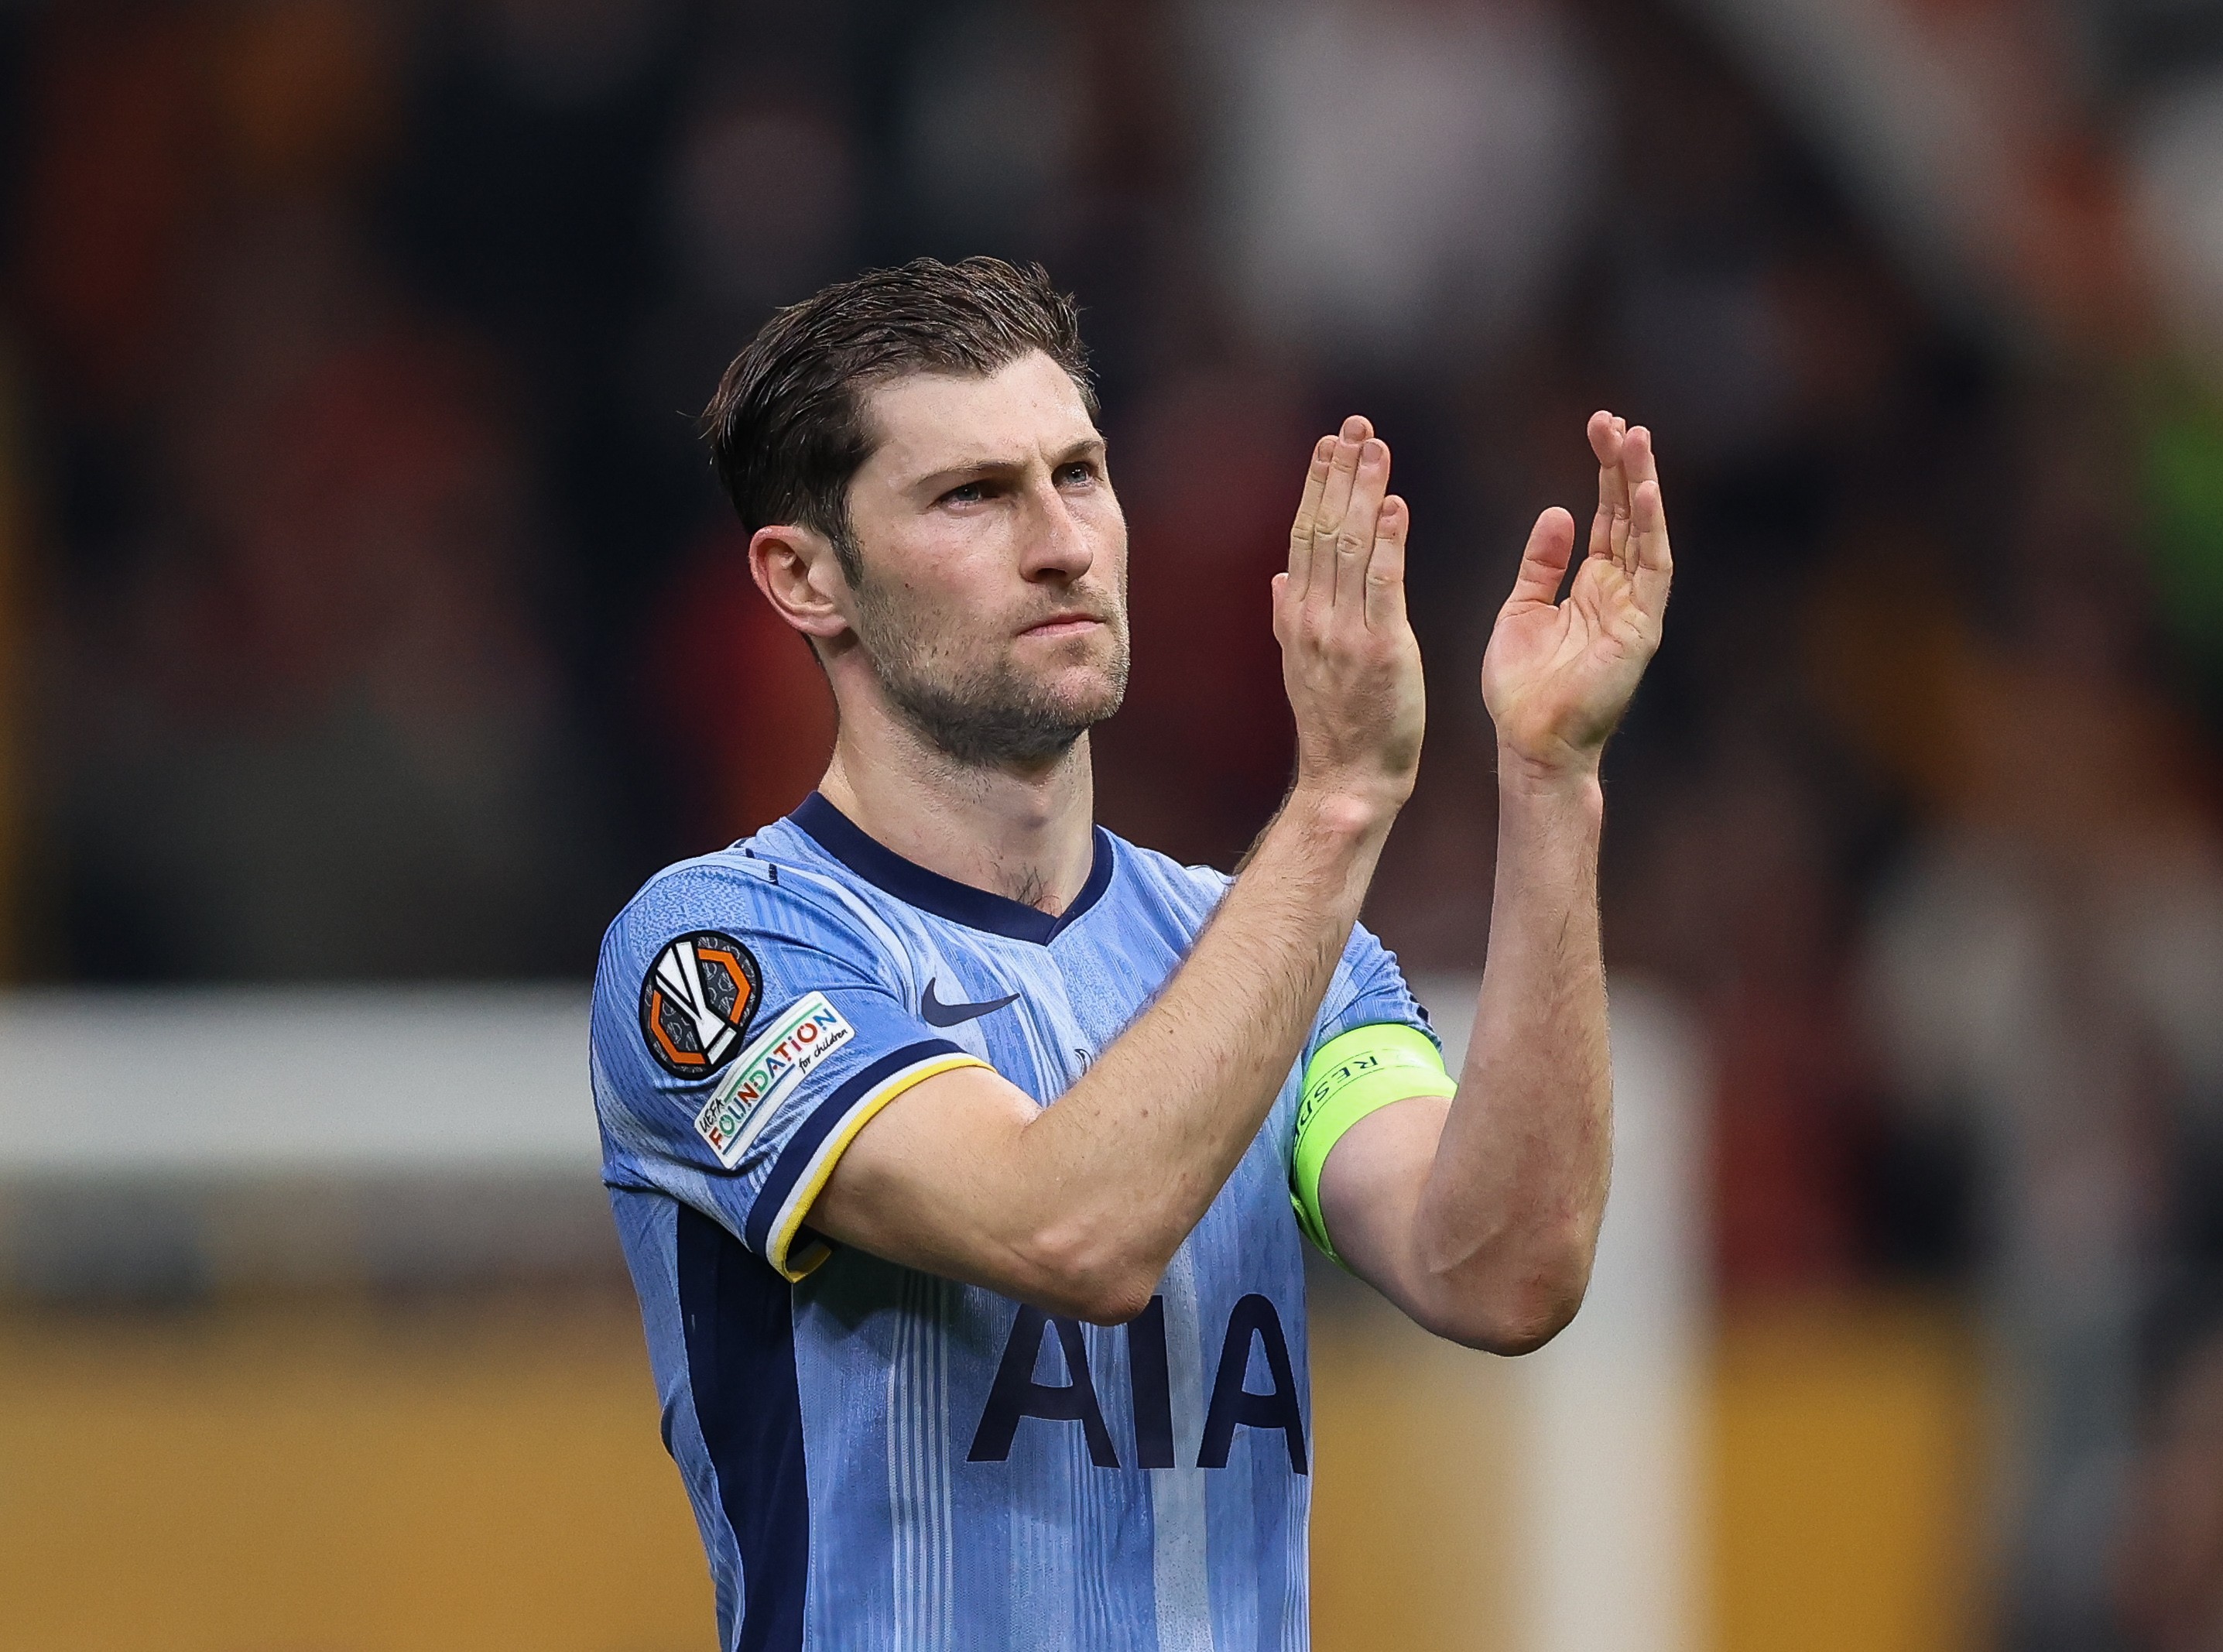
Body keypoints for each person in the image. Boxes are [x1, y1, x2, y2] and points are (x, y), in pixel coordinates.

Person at [590, 256, 1674, 1651]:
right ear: (806, 576)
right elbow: (1066, 1227)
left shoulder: (1292, 960)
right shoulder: (719, 954)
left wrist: (1552, 778)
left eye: (1081, 474)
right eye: (972, 495)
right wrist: (1342, 798)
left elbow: (1503, 1267)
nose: (1062, 542)